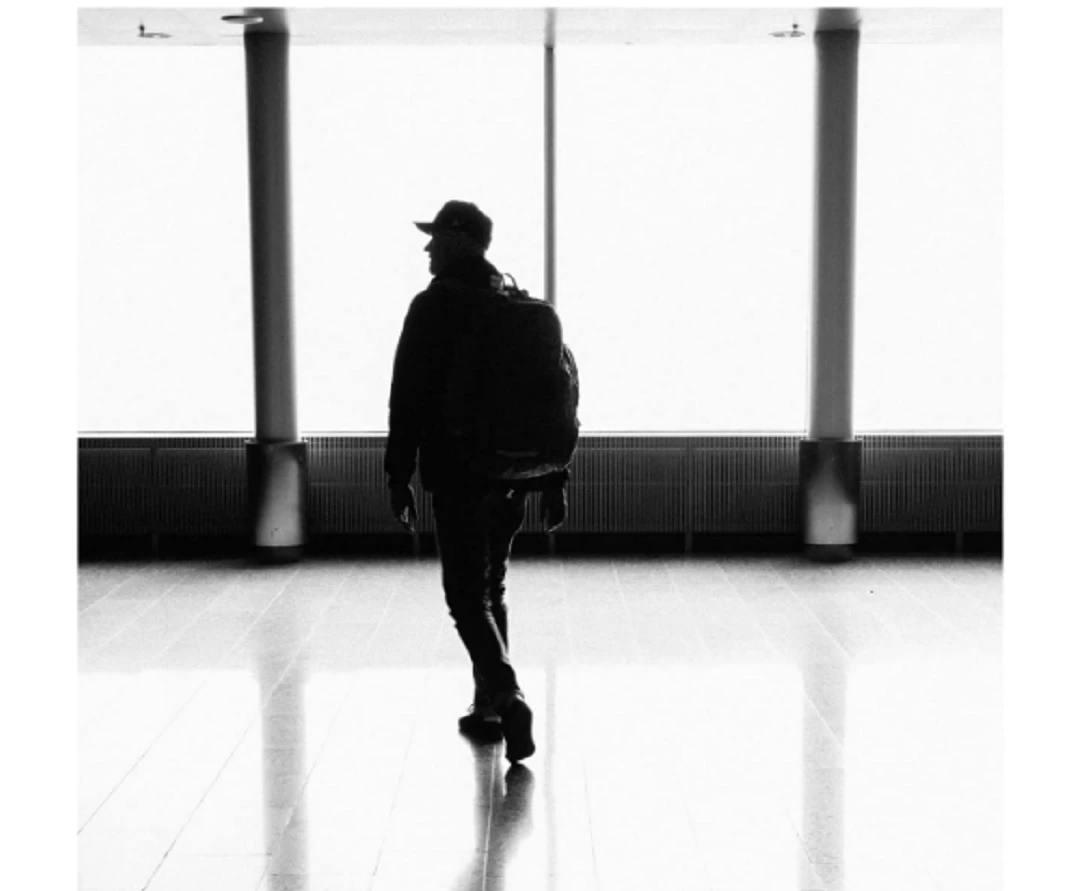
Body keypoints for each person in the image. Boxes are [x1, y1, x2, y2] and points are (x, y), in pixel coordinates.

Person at [385, 200, 568, 763]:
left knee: (465, 597)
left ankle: (506, 696)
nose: (428, 247)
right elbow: (553, 398)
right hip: (514, 472)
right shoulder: (515, 304)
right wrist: (555, 479)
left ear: (461, 240)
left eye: (436, 236)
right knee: (492, 587)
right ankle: (487, 703)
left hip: (458, 471)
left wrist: (398, 474)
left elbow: (407, 397)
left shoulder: (433, 307)